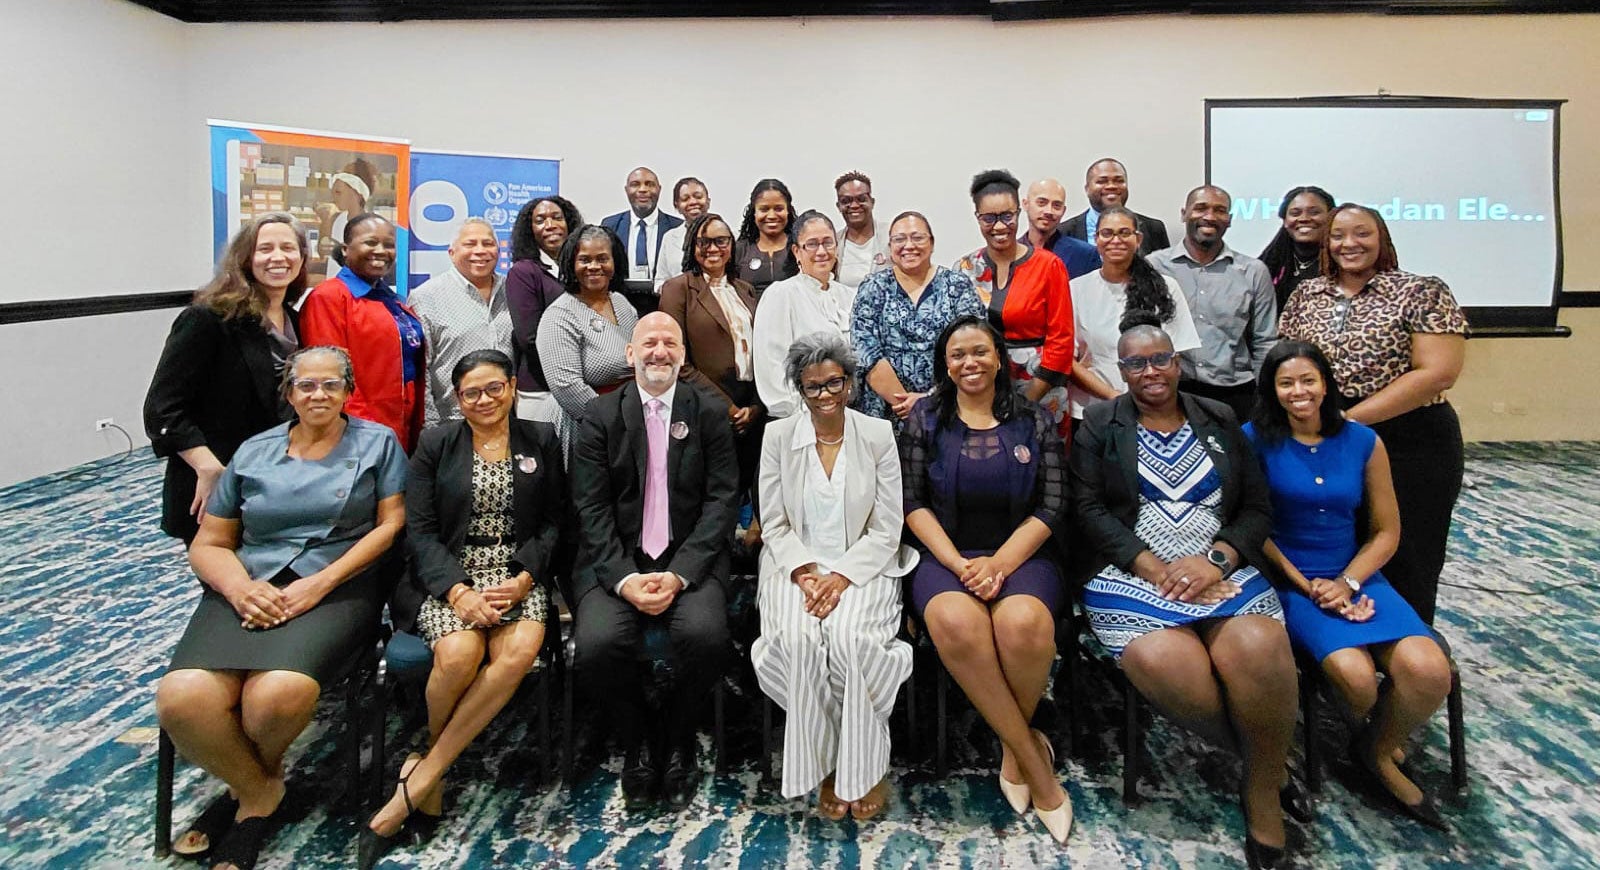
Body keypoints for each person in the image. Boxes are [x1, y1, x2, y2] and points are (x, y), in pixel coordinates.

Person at [154, 346, 406, 870]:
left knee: (275, 694)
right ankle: (260, 789)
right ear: (289, 393)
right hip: (249, 584)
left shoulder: (377, 443)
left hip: (338, 585)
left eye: (331, 385)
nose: (319, 395)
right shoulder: (254, 451)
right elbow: (210, 542)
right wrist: (240, 589)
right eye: (306, 385)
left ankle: (245, 794)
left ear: (347, 390)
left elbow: (390, 524)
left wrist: (321, 582)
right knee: (182, 698)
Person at [1070, 316, 1299, 868]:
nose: (1150, 372)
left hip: (1222, 572)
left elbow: (1256, 510)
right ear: (1120, 371)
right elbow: (1088, 509)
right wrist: (1151, 567)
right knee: (1164, 659)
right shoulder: (1100, 423)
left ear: (1178, 362)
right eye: (1135, 363)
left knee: (1256, 649)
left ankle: (1260, 792)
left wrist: (1216, 559)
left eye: (1160, 359)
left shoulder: (1220, 418)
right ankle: (1265, 764)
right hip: (1130, 576)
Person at [363, 350, 566, 867]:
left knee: (518, 653)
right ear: (457, 398)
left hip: (517, 574)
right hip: (450, 574)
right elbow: (421, 532)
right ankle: (435, 766)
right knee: (457, 656)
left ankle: (424, 769)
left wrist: (523, 579)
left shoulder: (540, 439)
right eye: (471, 392)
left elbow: (554, 523)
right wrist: (458, 591)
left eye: (494, 388)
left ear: (513, 388)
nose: (484, 400)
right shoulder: (435, 444)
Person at [1244, 341, 1454, 832]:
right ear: (1272, 391)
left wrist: (1349, 582)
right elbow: (1255, 526)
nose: (1299, 392)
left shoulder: (1363, 440)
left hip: (1359, 574)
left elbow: (1387, 531)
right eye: (1286, 383)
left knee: (1429, 671)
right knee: (1355, 678)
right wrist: (1315, 587)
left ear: (1326, 384)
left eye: (1309, 380)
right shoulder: (1253, 439)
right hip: (1292, 583)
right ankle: (1377, 741)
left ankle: (1375, 752)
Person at [900, 316, 1073, 844]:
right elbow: (910, 503)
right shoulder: (924, 418)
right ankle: (1036, 765)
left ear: (1000, 357)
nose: (969, 363)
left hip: (1022, 554)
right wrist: (959, 565)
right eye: (957, 355)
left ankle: (1011, 750)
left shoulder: (1035, 420)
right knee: (955, 621)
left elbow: (1052, 504)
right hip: (944, 556)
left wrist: (998, 565)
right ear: (945, 365)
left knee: (1022, 625)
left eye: (980, 351)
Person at [569, 312, 740, 811]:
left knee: (708, 640)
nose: (659, 351)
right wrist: (624, 579)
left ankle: (678, 731)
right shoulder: (600, 417)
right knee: (597, 646)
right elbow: (591, 507)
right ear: (629, 353)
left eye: (670, 342)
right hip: (616, 562)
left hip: (690, 559)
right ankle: (638, 737)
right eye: (649, 342)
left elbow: (722, 501)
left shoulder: (708, 412)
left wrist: (680, 572)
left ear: (683, 355)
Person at [1279, 204, 1467, 626]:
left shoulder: (1420, 290)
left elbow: (1438, 372)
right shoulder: (1307, 294)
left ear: (1381, 238)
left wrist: (1352, 420)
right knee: (1338, 542)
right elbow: (1288, 363)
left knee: (1409, 551)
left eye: (1361, 233)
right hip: (1324, 439)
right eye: (1338, 235)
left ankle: (1408, 646)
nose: (1349, 244)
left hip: (1410, 439)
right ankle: (1343, 644)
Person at [752, 332, 914, 822]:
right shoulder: (778, 437)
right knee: (799, 640)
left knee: (851, 641)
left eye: (833, 384)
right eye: (812, 387)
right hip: (793, 566)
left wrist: (841, 577)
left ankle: (864, 768)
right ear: (798, 390)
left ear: (850, 384)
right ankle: (826, 764)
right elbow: (774, 522)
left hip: (863, 565)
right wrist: (805, 574)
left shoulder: (877, 435)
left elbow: (888, 527)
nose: (824, 395)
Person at [145, 213, 307, 546]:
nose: (278, 257)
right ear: (246, 258)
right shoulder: (208, 318)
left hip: (273, 481)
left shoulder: (296, 320)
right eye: (266, 249)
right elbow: (162, 409)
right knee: (225, 585)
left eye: (288, 248)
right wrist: (208, 467)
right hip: (217, 479)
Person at [952, 170, 1077, 437]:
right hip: (981, 388)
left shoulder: (1049, 266)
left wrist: (1028, 399)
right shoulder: (965, 268)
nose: (999, 226)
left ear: (1019, 212)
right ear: (978, 218)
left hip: (1042, 387)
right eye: (989, 218)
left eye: (1007, 216)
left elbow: (1062, 341)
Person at [1149, 185, 1277, 423]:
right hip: (1171, 392)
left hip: (1235, 395)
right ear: (1184, 213)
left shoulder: (1253, 272)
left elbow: (1265, 340)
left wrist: (1265, 396)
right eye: (1200, 208)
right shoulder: (1154, 266)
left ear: (1229, 219)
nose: (1209, 216)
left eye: (1219, 210)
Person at [658, 212, 764, 499]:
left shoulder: (745, 289)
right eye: (704, 242)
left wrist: (755, 406)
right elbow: (677, 360)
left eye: (721, 241)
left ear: (732, 245)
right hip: (704, 409)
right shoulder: (678, 288)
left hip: (750, 410)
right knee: (711, 495)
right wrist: (727, 408)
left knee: (745, 490)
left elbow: (763, 352)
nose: (713, 248)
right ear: (693, 246)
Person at [300, 213, 427, 452]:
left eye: (388, 245)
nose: (381, 251)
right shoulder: (329, 298)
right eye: (371, 242)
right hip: (359, 435)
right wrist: (362, 434)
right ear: (346, 249)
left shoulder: (392, 300)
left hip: (403, 426)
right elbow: (330, 377)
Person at [1066, 206, 1202, 420]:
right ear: (1096, 239)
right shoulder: (1075, 289)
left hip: (1153, 410)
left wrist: (1139, 400)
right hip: (1092, 412)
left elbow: (1176, 354)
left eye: (1124, 233)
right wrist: (1114, 397)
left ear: (1138, 239)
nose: (1116, 240)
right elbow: (1068, 360)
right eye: (1107, 233)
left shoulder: (1165, 287)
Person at [852, 211, 984, 425]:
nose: (909, 245)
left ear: (931, 243)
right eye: (899, 239)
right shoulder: (873, 287)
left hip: (947, 406)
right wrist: (906, 405)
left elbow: (974, 345)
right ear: (890, 247)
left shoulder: (957, 286)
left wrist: (929, 401)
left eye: (918, 237)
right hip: (885, 412)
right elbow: (865, 351)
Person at [535, 225, 641, 453]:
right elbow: (566, 386)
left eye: (603, 258)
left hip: (628, 422)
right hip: (583, 428)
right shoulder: (559, 314)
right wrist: (612, 425)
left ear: (615, 262)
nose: (594, 267)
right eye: (584, 260)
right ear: (571, 264)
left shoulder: (621, 303)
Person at [408, 217, 514, 428]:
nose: (480, 250)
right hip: (452, 423)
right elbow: (422, 370)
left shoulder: (514, 290)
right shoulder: (426, 297)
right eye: (470, 244)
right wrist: (431, 428)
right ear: (452, 253)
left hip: (507, 422)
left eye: (488, 243)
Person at [753, 211, 856, 420]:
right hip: (801, 416)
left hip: (849, 412)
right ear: (796, 251)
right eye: (812, 244)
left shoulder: (849, 296)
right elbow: (772, 362)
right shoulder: (781, 294)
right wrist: (795, 413)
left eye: (828, 242)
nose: (821, 251)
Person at [506, 195, 583, 425]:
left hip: (579, 385)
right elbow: (528, 337)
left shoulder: (580, 270)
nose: (550, 225)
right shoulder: (523, 272)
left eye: (557, 217)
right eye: (540, 220)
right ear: (530, 230)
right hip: (540, 390)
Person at [1062, 158, 1170, 256]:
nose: (1111, 186)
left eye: (1119, 181)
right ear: (1087, 188)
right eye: (1102, 181)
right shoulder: (1064, 232)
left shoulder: (1153, 228)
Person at [600, 166, 684, 290]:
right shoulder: (610, 225)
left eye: (650, 184)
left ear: (659, 189)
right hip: (621, 300)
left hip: (664, 301)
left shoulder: (677, 227)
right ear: (626, 190)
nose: (643, 189)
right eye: (635, 184)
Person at [1258, 186, 1337, 310]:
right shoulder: (1269, 265)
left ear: (1331, 217)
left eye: (1314, 212)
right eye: (1295, 213)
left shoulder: (1342, 264)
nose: (1304, 218)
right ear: (1285, 221)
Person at [1021, 177, 1102, 279]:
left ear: (1063, 211)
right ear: (1025, 204)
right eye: (1041, 203)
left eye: (1056, 205)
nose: (1048, 211)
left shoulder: (1085, 254)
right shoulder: (1010, 252)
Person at [733, 178, 797, 296]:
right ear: (754, 212)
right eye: (764, 209)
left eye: (779, 209)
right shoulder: (739, 251)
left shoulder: (799, 248)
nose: (771, 216)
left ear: (788, 210)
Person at [832, 171, 890, 290]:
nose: (854, 205)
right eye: (846, 201)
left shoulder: (892, 236)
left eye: (861, 199)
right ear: (838, 206)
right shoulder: (833, 244)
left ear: (872, 202)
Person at [654, 177, 713, 292]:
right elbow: (660, 281)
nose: (693, 202)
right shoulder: (669, 238)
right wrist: (675, 291)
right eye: (685, 199)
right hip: (678, 304)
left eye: (698, 196)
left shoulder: (727, 236)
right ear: (677, 206)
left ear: (708, 201)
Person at [322, 158, 379, 263]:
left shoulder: (372, 225)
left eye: (338, 192)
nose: (333, 198)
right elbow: (324, 252)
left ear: (356, 193)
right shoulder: (338, 220)